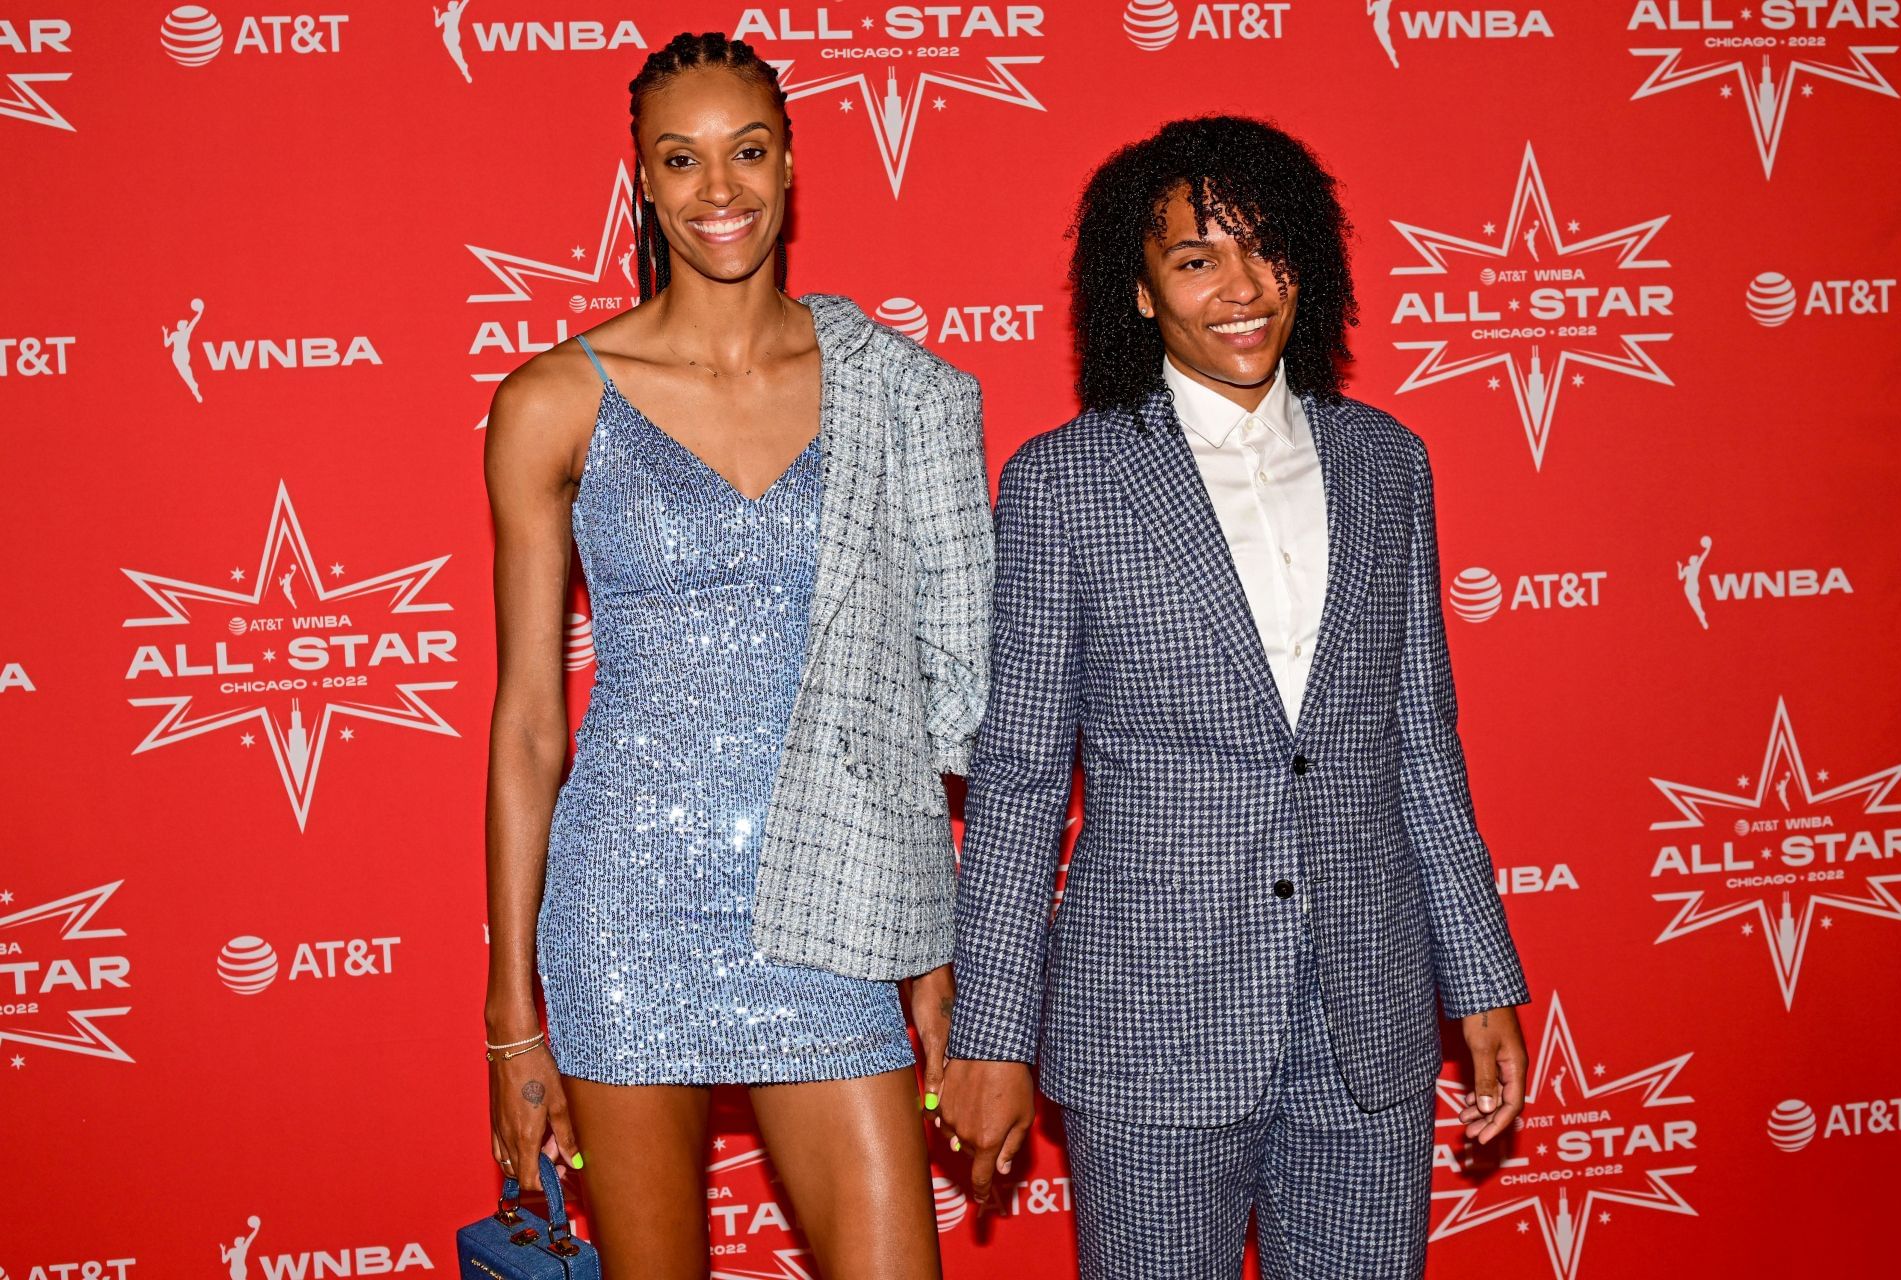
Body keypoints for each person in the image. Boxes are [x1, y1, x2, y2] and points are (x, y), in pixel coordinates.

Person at [939, 116, 1530, 1278]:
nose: (1243, 288)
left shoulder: (1386, 461)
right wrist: (993, 1031)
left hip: (1367, 1016)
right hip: (1153, 1023)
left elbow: (1421, 742)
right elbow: (1014, 782)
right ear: (1143, 291)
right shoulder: (1067, 483)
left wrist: (1484, 974)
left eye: (1267, 249)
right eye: (1197, 259)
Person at [481, 32, 992, 1279]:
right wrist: (510, 1018)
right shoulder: (556, 398)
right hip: (625, 906)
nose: (722, 190)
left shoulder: (889, 391)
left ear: (792, 164)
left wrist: (929, 947)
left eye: (749, 151)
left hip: (836, 912)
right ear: (642, 184)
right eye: (683, 159)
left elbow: (926, 700)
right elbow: (532, 725)